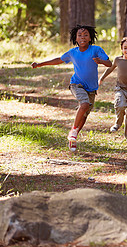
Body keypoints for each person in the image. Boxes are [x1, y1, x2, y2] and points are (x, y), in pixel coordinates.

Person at [31, 24, 112, 152]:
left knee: (84, 115)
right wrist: (40, 64)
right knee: (84, 104)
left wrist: (101, 61)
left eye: (86, 35)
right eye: (79, 35)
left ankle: (73, 137)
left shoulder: (96, 50)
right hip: (76, 84)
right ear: (75, 38)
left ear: (90, 38)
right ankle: (73, 130)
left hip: (91, 88)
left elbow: (109, 63)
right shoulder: (73, 52)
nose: (83, 37)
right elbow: (58, 60)